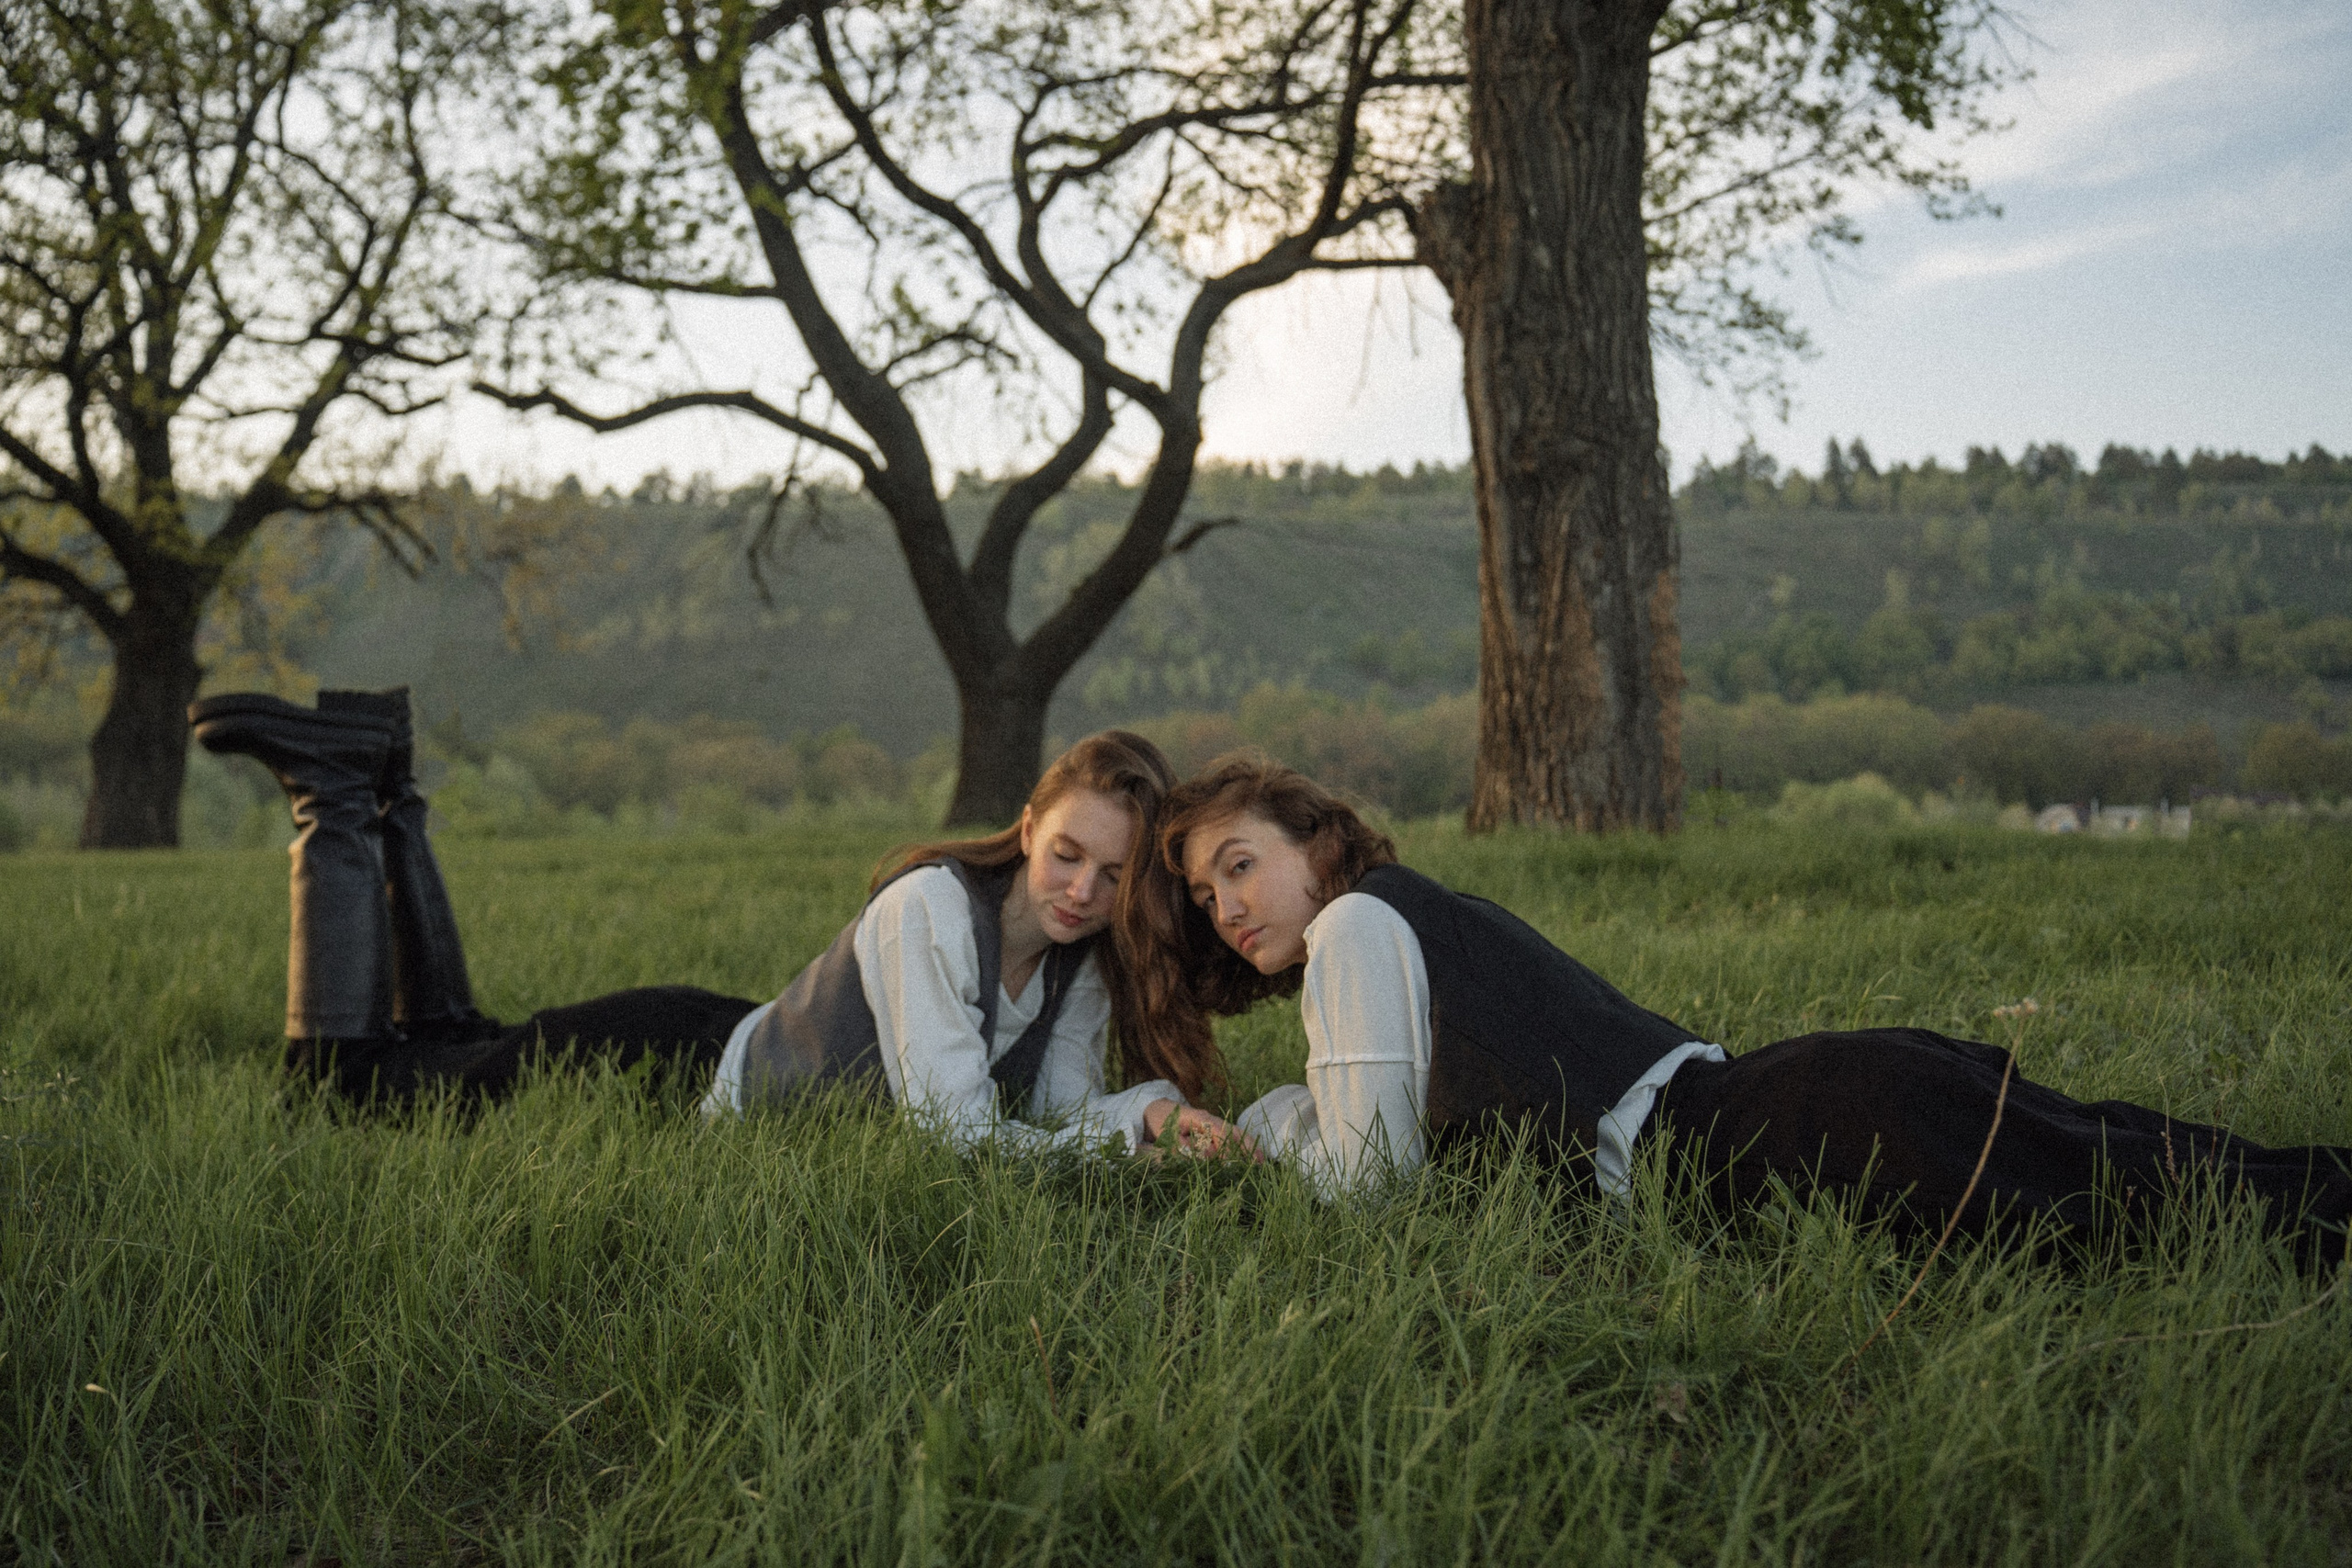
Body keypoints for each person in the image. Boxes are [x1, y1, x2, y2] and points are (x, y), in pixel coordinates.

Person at [1126, 752, 2352, 1262]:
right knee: (2141, 1163)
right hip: (1800, 1092)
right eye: (1203, 889)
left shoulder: (1353, 923)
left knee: (2141, 1208)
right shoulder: (1412, 909)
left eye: (1240, 861)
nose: (1227, 903)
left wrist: (1259, 1138)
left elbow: (1369, 1180)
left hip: (1770, 1137)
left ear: (1315, 838)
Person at [190, 688, 1245, 1156]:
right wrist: (1128, 1144)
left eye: (1112, 877)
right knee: (357, 1087)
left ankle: (383, 776)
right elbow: (957, 1138)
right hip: (668, 1064)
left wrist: (1149, 1119)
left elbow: (1055, 1116)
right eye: (1066, 855)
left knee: (447, 1041)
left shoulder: (1080, 965)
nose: (1080, 892)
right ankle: (331, 792)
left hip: (733, 1035)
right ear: (1025, 829)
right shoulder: (930, 909)